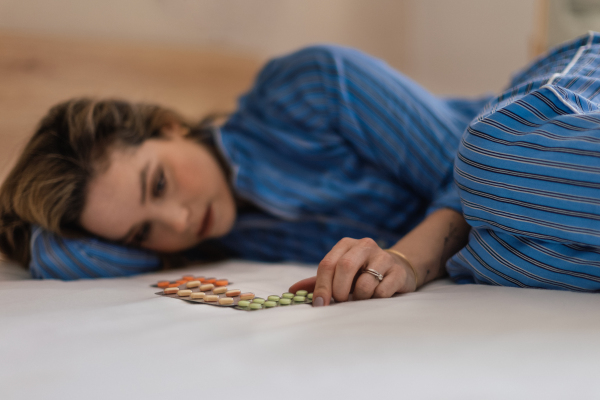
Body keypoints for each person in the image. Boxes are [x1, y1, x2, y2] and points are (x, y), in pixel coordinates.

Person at [2, 32, 600, 307]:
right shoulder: (219, 240)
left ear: (170, 126)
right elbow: (68, 256)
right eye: (141, 232)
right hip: (544, 207)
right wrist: (16, 222)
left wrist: (407, 260)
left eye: (158, 183)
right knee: (497, 259)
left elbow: (459, 178)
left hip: (559, 108)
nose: (179, 221)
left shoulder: (309, 86)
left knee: (486, 171)